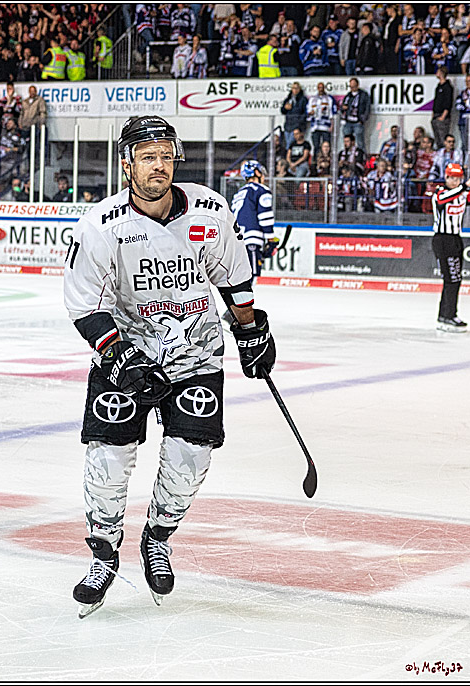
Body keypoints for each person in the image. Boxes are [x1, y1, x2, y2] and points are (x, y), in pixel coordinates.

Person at [63, 115, 275, 617]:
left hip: (197, 354)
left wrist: (251, 331)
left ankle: (157, 537)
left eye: (165, 155)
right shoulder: (100, 226)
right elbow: (82, 303)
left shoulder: (209, 208)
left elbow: (234, 279)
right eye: (147, 157)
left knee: (191, 459)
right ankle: (104, 551)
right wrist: (119, 356)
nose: (159, 166)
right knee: (109, 459)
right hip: (126, 358)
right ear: (127, 165)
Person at [429, 163, 470, 331]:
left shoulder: (461, 194)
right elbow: (443, 199)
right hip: (443, 240)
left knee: (454, 278)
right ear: (446, 178)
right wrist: (465, 186)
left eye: (458, 179)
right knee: (452, 279)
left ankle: (445, 315)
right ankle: (449, 316)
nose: (455, 181)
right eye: (452, 178)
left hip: (456, 238)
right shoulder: (440, 193)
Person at [230, 160, 276, 281]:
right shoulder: (261, 191)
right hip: (252, 241)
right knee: (251, 278)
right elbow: (265, 217)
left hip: (236, 243)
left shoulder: (238, 194)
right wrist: (271, 240)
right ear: (256, 172)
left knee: (239, 280)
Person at [339, 77, 370, 151]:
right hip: (348, 121)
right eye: (351, 86)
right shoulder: (348, 95)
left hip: (358, 121)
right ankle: (347, 156)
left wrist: (362, 120)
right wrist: (343, 108)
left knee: (360, 142)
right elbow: (342, 107)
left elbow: (367, 108)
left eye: (354, 86)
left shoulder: (363, 95)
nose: (352, 88)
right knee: (347, 140)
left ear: (358, 85)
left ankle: (361, 158)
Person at [306, 81, 336, 154]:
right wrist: (310, 113)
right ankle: (316, 162)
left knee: (327, 146)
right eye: (319, 88)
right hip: (315, 126)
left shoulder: (329, 99)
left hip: (326, 126)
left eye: (322, 87)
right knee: (316, 146)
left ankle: (328, 161)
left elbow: (333, 113)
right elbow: (307, 112)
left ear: (324, 88)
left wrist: (332, 125)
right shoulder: (312, 99)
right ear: (317, 88)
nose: (321, 89)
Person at [432, 67, 455, 144]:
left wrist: (443, 116)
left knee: (443, 137)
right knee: (437, 138)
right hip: (436, 115)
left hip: (442, 115)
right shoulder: (438, 86)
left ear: (441, 73)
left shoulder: (448, 87)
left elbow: (448, 103)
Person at [456, 74, 470, 153]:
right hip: (463, 122)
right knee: (465, 144)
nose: (468, 83)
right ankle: (465, 163)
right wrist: (468, 106)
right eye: (466, 81)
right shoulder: (463, 94)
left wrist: (467, 105)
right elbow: (458, 105)